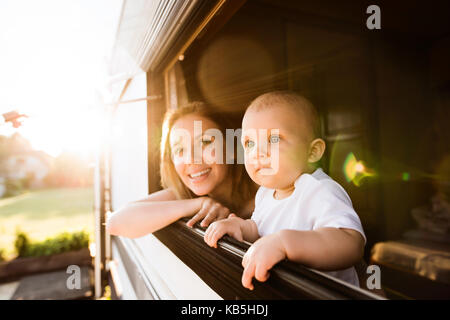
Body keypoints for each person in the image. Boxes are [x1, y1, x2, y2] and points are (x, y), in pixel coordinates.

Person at [204, 91, 366, 290]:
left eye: (273, 139)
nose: (258, 153)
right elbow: (261, 230)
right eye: (250, 143)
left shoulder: (320, 190)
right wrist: (241, 227)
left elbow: (350, 243)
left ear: (312, 152)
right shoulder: (265, 192)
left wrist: (285, 244)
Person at [106, 102, 257, 238]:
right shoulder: (185, 193)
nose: (191, 158)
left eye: (204, 142)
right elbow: (115, 223)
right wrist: (199, 203)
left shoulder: (266, 193)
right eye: (180, 150)